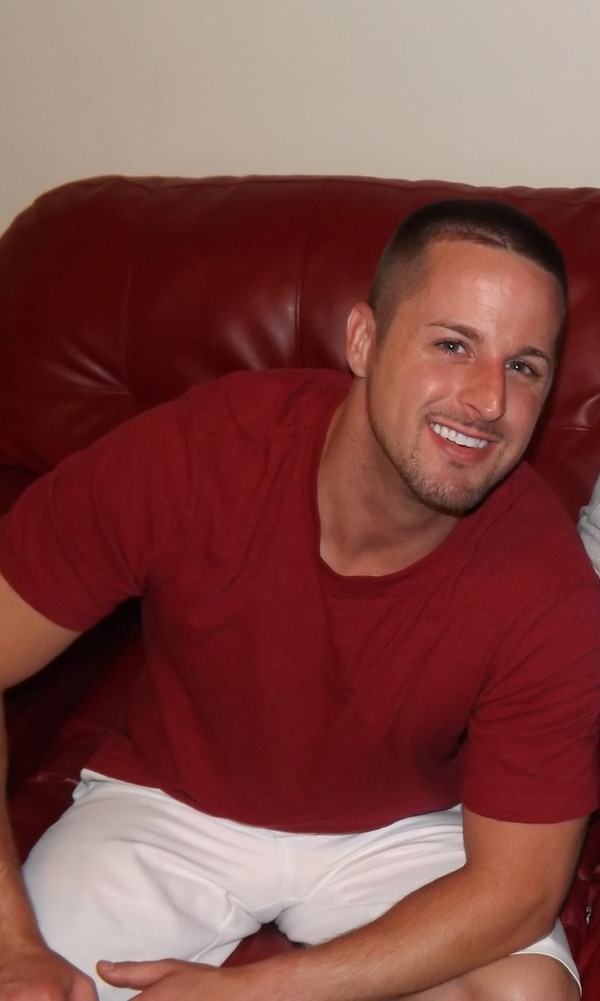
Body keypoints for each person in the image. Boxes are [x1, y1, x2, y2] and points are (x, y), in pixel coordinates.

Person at [0, 198, 598, 1001]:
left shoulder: (548, 585)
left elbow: (520, 887)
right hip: (165, 807)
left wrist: (259, 992)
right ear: (364, 340)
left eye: (524, 367)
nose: (489, 400)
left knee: (524, 995)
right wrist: (12, 943)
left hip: (397, 832)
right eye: (454, 344)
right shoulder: (195, 458)